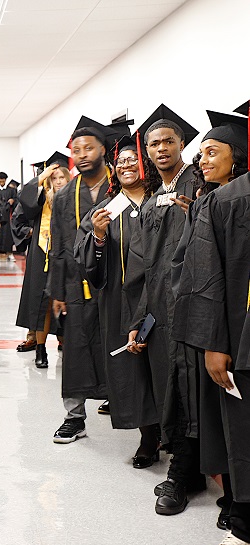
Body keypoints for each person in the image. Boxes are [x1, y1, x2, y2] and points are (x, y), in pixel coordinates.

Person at [171, 107, 250, 545]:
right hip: (242, 342)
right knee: (243, 435)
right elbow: (205, 279)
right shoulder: (227, 201)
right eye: (201, 153)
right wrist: (215, 343)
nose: (202, 161)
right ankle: (243, 530)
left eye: (211, 151)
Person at [123, 104, 205, 517]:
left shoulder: (201, 187)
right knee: (171, 391)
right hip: (160, 311)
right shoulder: (154, 200)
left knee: (191, 392)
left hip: (195, 308)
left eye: (168, 141)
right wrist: (139, 321)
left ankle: (182, 473)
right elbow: (144, 269)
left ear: (182, 145)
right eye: (153, 144)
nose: (160, 149)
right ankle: (186, 468)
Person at [74, 137, 162, 466]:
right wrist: (97, 236)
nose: (126, 165)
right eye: (121, 161)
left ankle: (173, 434)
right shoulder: (110, 209)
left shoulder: (161, 201)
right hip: (121, 301)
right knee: (133, 370)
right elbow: (85, 260)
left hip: (161, 299)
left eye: (133, 159)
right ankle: (148, 436)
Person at [47, 116, 118, 443]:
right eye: (77, 149)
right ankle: (74, 416)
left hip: (117, 285)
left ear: (103, 149)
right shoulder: (65, 196)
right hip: (76, 286)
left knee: (117, 346)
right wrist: (58, 291)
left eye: (89, 147)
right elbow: (60, 246)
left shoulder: (119, 187)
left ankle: (126, 406)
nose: (83, 154)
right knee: (75, 350)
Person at [13, 152, 71, 368]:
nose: (57, 182)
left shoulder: (74, 198)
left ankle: (66, 343)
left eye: (61, 177)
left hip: (66, 255)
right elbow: (24, 199)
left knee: (66, 299)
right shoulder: (40, 198)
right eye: (53, 178)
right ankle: (40, 348)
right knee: (40, 302)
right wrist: (42, 177)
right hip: (41, 253)